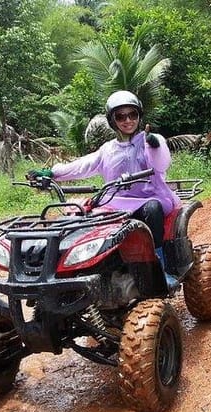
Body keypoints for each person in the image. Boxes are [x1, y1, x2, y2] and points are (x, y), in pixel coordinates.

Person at [27, 90, 180, 287]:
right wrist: (52, 173)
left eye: (132, 114)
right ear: (112, 120)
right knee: (79, 218)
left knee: (153, 210)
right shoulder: (108, 149)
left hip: (148, 198)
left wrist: (153, 144)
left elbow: (161, 163)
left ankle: (161, 267)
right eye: (121, 116)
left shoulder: (149, 140)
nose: (127, 120)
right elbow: (82, 165)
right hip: (113, 202)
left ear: (139, 116)